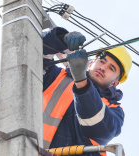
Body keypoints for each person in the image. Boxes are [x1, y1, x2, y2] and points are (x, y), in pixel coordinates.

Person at [42, 27, 132, 156]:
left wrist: (81, 80)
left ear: (114, 83)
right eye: (102, 61)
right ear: (91, 63)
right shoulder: (58, 77)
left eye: (111, 68)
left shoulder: (114, 109)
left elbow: (99, 127)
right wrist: (61, 39)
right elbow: (34, 53)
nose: (103, 68)